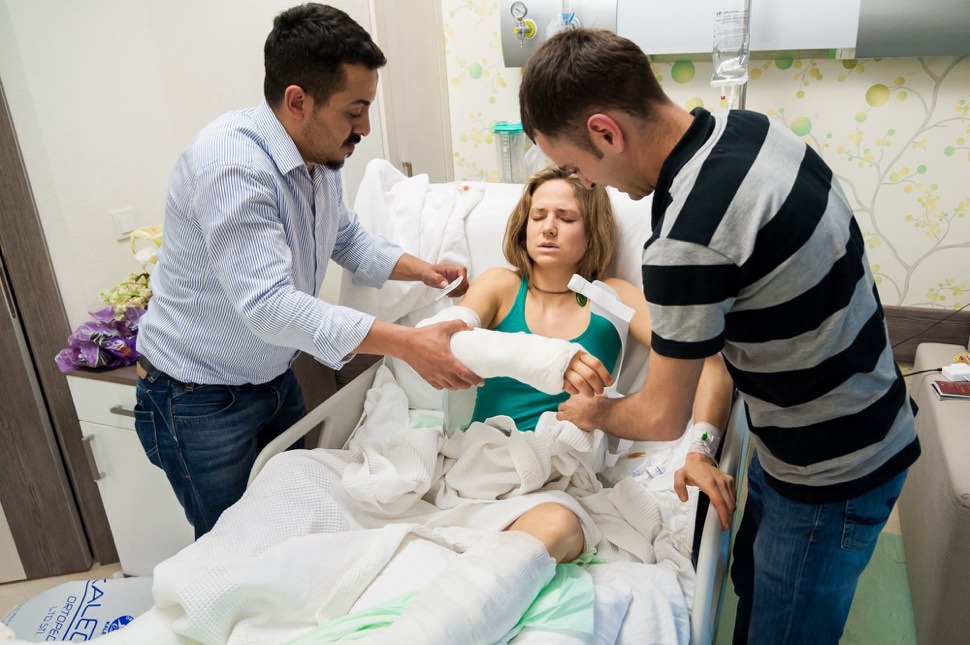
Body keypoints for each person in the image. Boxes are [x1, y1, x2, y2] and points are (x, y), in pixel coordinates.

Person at [517, 28, 920, 644]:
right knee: (753, 579)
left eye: (577, 169)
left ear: (606, 132)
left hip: (831, 468)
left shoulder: (686, 238)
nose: (587, 185)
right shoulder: (750, 131)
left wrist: (595, 411)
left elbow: (659, 417)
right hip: (840, 419)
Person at [134, 3, 480, 539]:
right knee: (233, 546)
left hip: (273, 378)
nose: (365, 127)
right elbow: (269, 306)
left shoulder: (316, 159)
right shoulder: (232, 167)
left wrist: (423, 271)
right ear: (298, 101)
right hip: (199, 397)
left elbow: (344, 236)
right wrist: (408, 344)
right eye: (355, 110)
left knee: (290, 519)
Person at [453, 166, 735, 562]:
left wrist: (701, 450)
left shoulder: (612, 297)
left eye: (566, 218)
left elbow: (708, 364)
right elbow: (445, 344)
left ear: (592, 231)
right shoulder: (500, 285)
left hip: (562, 474)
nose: (548, 228)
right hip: (486, 463)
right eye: (538, 216)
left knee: (557, 528)